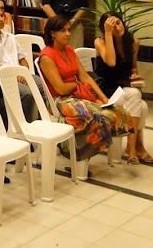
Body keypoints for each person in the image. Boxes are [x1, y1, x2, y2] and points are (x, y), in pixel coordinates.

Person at [38, 16, 133, 161]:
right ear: (52, 33)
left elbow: (85, 77)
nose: (68, 34)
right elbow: (61, 89)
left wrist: (103, 98)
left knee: (116, 111)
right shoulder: (46, 56)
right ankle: (78, 154)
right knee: (98, 115)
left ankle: (85, 153)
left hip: (76, 95)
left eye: (69, 30)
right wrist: (75, 85)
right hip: (58, 100)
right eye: (63, 31)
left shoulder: (69, 50)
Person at [94, 12, 153, 164]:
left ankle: (134, 146)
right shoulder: (100, 42)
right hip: (107, 89)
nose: (118, 27)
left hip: (125, 87)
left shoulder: (133, 41)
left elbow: (133, 67)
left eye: (119, 22)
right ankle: (134, 148)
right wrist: (108, 34)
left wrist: (134, 75)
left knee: (143, 106)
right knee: (134, 95)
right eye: (112, 25)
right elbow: (111, 62)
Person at [0, 2, 38, 120]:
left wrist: (23, 73)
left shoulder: (10, 37)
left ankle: (39, 120)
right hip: (2, 79)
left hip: (20, 75)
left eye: (2, 16)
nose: (1, 19)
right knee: (27, 93)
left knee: (41, 85)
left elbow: (23, 60)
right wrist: (16, 76)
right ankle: (24, 124)